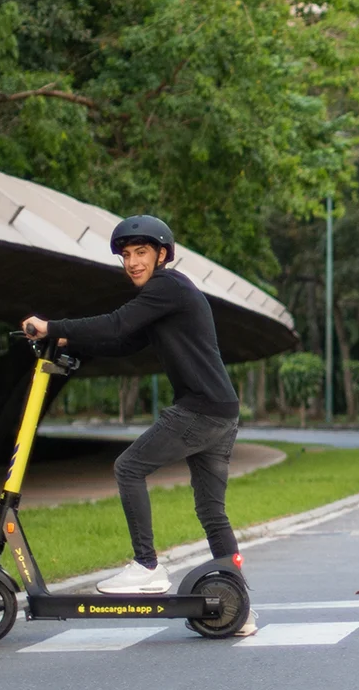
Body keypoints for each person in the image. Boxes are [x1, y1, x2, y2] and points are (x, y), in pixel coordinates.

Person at [21, 214, 254, 634]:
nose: (132, 262)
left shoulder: (168, 286)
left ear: (161, 254)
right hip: (221, 409)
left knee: (128, 468)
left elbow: (117, 324)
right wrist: (65, 340)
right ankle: (238, 608)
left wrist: (51, 325)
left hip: (200, 409)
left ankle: (147, 566)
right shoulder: (168, 297)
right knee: (211, 511)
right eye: (126, 255)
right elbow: (123, 340)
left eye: (141, 252)